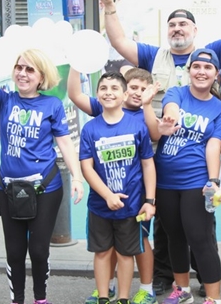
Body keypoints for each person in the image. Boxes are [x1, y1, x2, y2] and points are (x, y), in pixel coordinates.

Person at [98, 0, 221, 296]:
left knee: (199, 228)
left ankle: (206, 282)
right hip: (156, 151)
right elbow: (119, 41)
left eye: (183, 24)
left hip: (194, 163)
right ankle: (168, 278)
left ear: (195, 30)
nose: (177, 28)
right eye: (172, 24)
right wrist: (109, 7)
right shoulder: (155, 56)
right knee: (167, 226)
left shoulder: (208, 55)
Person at [0, 49, 84, 304]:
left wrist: (77, 177)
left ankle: (40, 299)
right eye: (19, 67)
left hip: (45, 188)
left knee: (39, 250)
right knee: (15, 252)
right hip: (9, 189)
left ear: (41, 76)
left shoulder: (51, 104)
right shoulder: (4, 100)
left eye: (29, 69)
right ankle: (17, 300)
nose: (22, 73)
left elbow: (64, 143)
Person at [143, 49, 221, 304]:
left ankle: (213, 298)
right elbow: (170, 108)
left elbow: (213, 146)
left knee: (200, 238)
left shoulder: (220, 109)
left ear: (216, 74)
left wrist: (212, 182)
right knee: (174, 237)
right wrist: (169, 118)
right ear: (189, 71)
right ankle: (182, 290)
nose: (201, 72)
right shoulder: (177, 93)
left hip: (196, 183)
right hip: (166, 181)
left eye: (208, 68)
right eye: (197, 67)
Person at [68, 67, 158, 304]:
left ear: (125, 94)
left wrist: (149, 201)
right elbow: (87, 168)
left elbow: (148, 165)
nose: (109, 93)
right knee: (102, 252)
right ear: (97, 94)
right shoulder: (90, 128)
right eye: (104, 88)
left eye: (115, 88)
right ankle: (104, 297)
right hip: (100, 206)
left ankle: (123, 298)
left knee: (126, 253)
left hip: (131, 207)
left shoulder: (137, 127)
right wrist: (107, 195)